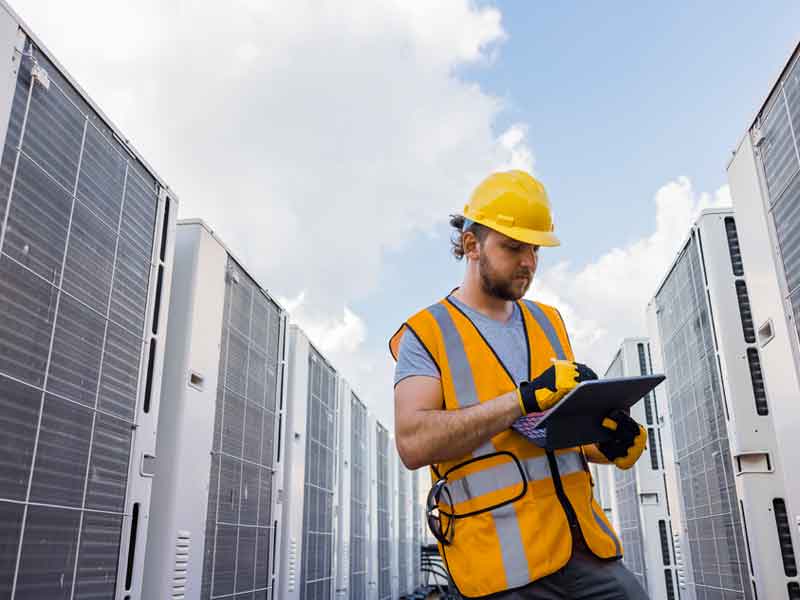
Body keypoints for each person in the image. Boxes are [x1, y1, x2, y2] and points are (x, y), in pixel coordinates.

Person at [390, 170, 649, 599]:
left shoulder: (549, 321)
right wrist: (521, 400)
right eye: (513, 247)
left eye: (535, 248)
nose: (528, 261)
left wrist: (604, 444)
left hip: (582, 547)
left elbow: (551, 434)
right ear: (471, 245)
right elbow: (413, 444)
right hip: (498, 566)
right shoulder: (427, 332)